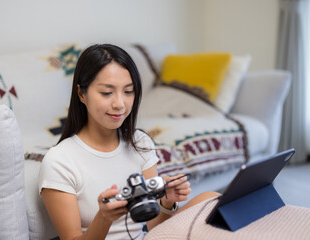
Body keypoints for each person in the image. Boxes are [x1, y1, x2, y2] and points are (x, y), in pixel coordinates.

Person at [38, 44, 218, 240]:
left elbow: (156, 229)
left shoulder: (140, 143)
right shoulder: (60, 161)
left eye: (128, 91)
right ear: (81, 94)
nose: (119, 104)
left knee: (211, 199)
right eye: (107, 93)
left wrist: (166, 203)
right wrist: (104, 218)